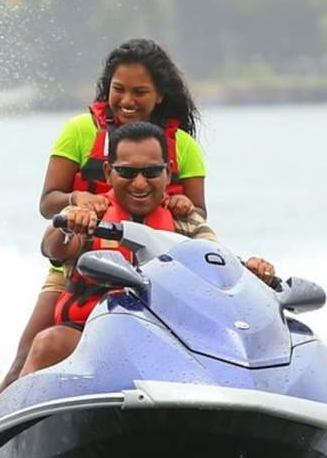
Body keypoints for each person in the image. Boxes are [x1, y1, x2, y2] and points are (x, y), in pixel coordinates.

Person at [0, 38, 206, 404]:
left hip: (155, 272)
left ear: (160, 96)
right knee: (30, 351)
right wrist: (78, 201)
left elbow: (198, 220)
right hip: (77, 262)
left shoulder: (182, 146)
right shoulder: (78, 131)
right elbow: (48, 202)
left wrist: (181, 202)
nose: (127, 101)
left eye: (140, 92)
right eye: (119, 90)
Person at [19, 121, 277, 377]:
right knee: (48, 343)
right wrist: (68, 226)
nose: (140, 184)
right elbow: (52, 248)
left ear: (167, 173)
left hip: (166, 341)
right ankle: (21, 412)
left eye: (152, 172)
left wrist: (254, 273)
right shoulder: (87, 215)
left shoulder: (185, 222)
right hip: (90, 335)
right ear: (108, 172)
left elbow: (217, 267)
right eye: (127, 173)